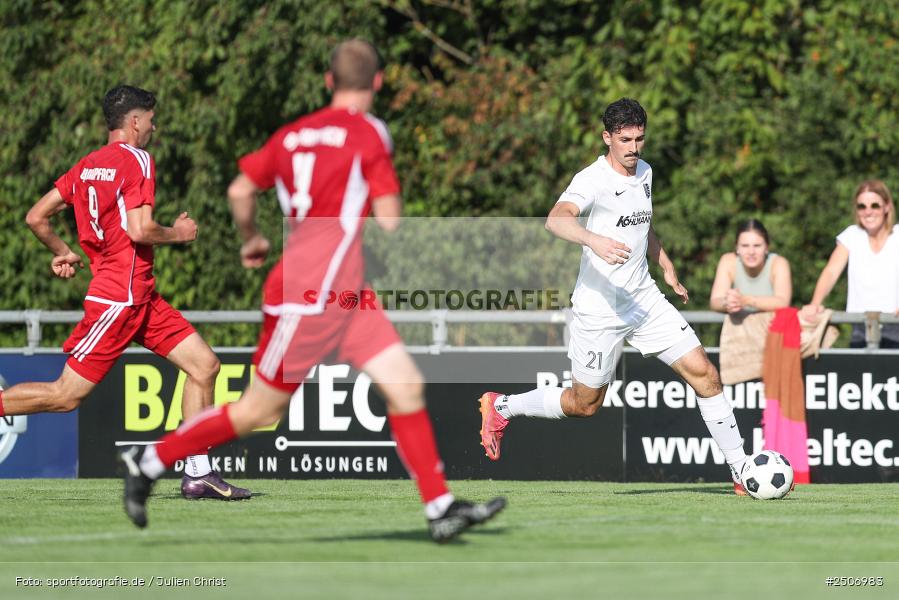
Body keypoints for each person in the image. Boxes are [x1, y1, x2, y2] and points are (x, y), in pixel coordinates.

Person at [120, 40, 505, 542]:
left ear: (329, 82)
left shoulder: (292, 134)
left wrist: (254, 237)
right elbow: (388, 220)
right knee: (260, 410)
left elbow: (240, 190)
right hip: (309, 293)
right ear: (379, 83)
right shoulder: (370, 132)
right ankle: (149, 460)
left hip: (345, 293)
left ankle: (440, 508)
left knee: (405, 384)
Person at [478, 98, 749, 494]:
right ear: (607, 138)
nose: (634, 148)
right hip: (599, 308)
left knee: (706, 375)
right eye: (625, 140)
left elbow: (643, 224)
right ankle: (501, 407)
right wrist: (593, 239)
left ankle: (741, 469)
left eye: (640, 138)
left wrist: (665, 262)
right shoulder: (591, 179)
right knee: (584, 404)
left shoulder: (645, 172)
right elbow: (555, 220)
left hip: (644, 300)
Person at [0, 85, 249, 500]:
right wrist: (180, 233)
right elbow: (140, 229)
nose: (154, 126)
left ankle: (198, 473)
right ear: (135, 122)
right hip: (119, 300)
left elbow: (35, 216)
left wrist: (63, 251)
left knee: (204, 366)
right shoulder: (138, 160)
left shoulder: (87, 166)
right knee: (65, 397)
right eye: (151, 119)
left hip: (141, 299)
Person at [801, 180, 899, 348]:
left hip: (895, 324)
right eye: (862, 206)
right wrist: (815, 303)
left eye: (875, 205)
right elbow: (831, 271)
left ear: (887, 207)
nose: (868, 212)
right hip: (860, 325)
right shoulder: (852, 236)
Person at [710, 219, 792, 314]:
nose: (751, 252)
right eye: (745, 246)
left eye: (757, 246)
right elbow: (715, 301)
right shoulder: (728, 261)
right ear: (737, 248)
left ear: (766, 247)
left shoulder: (779, 263)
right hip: (738, 327)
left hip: (773, 327)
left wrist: (747, 300)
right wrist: (727, 302)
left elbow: (783, 302)